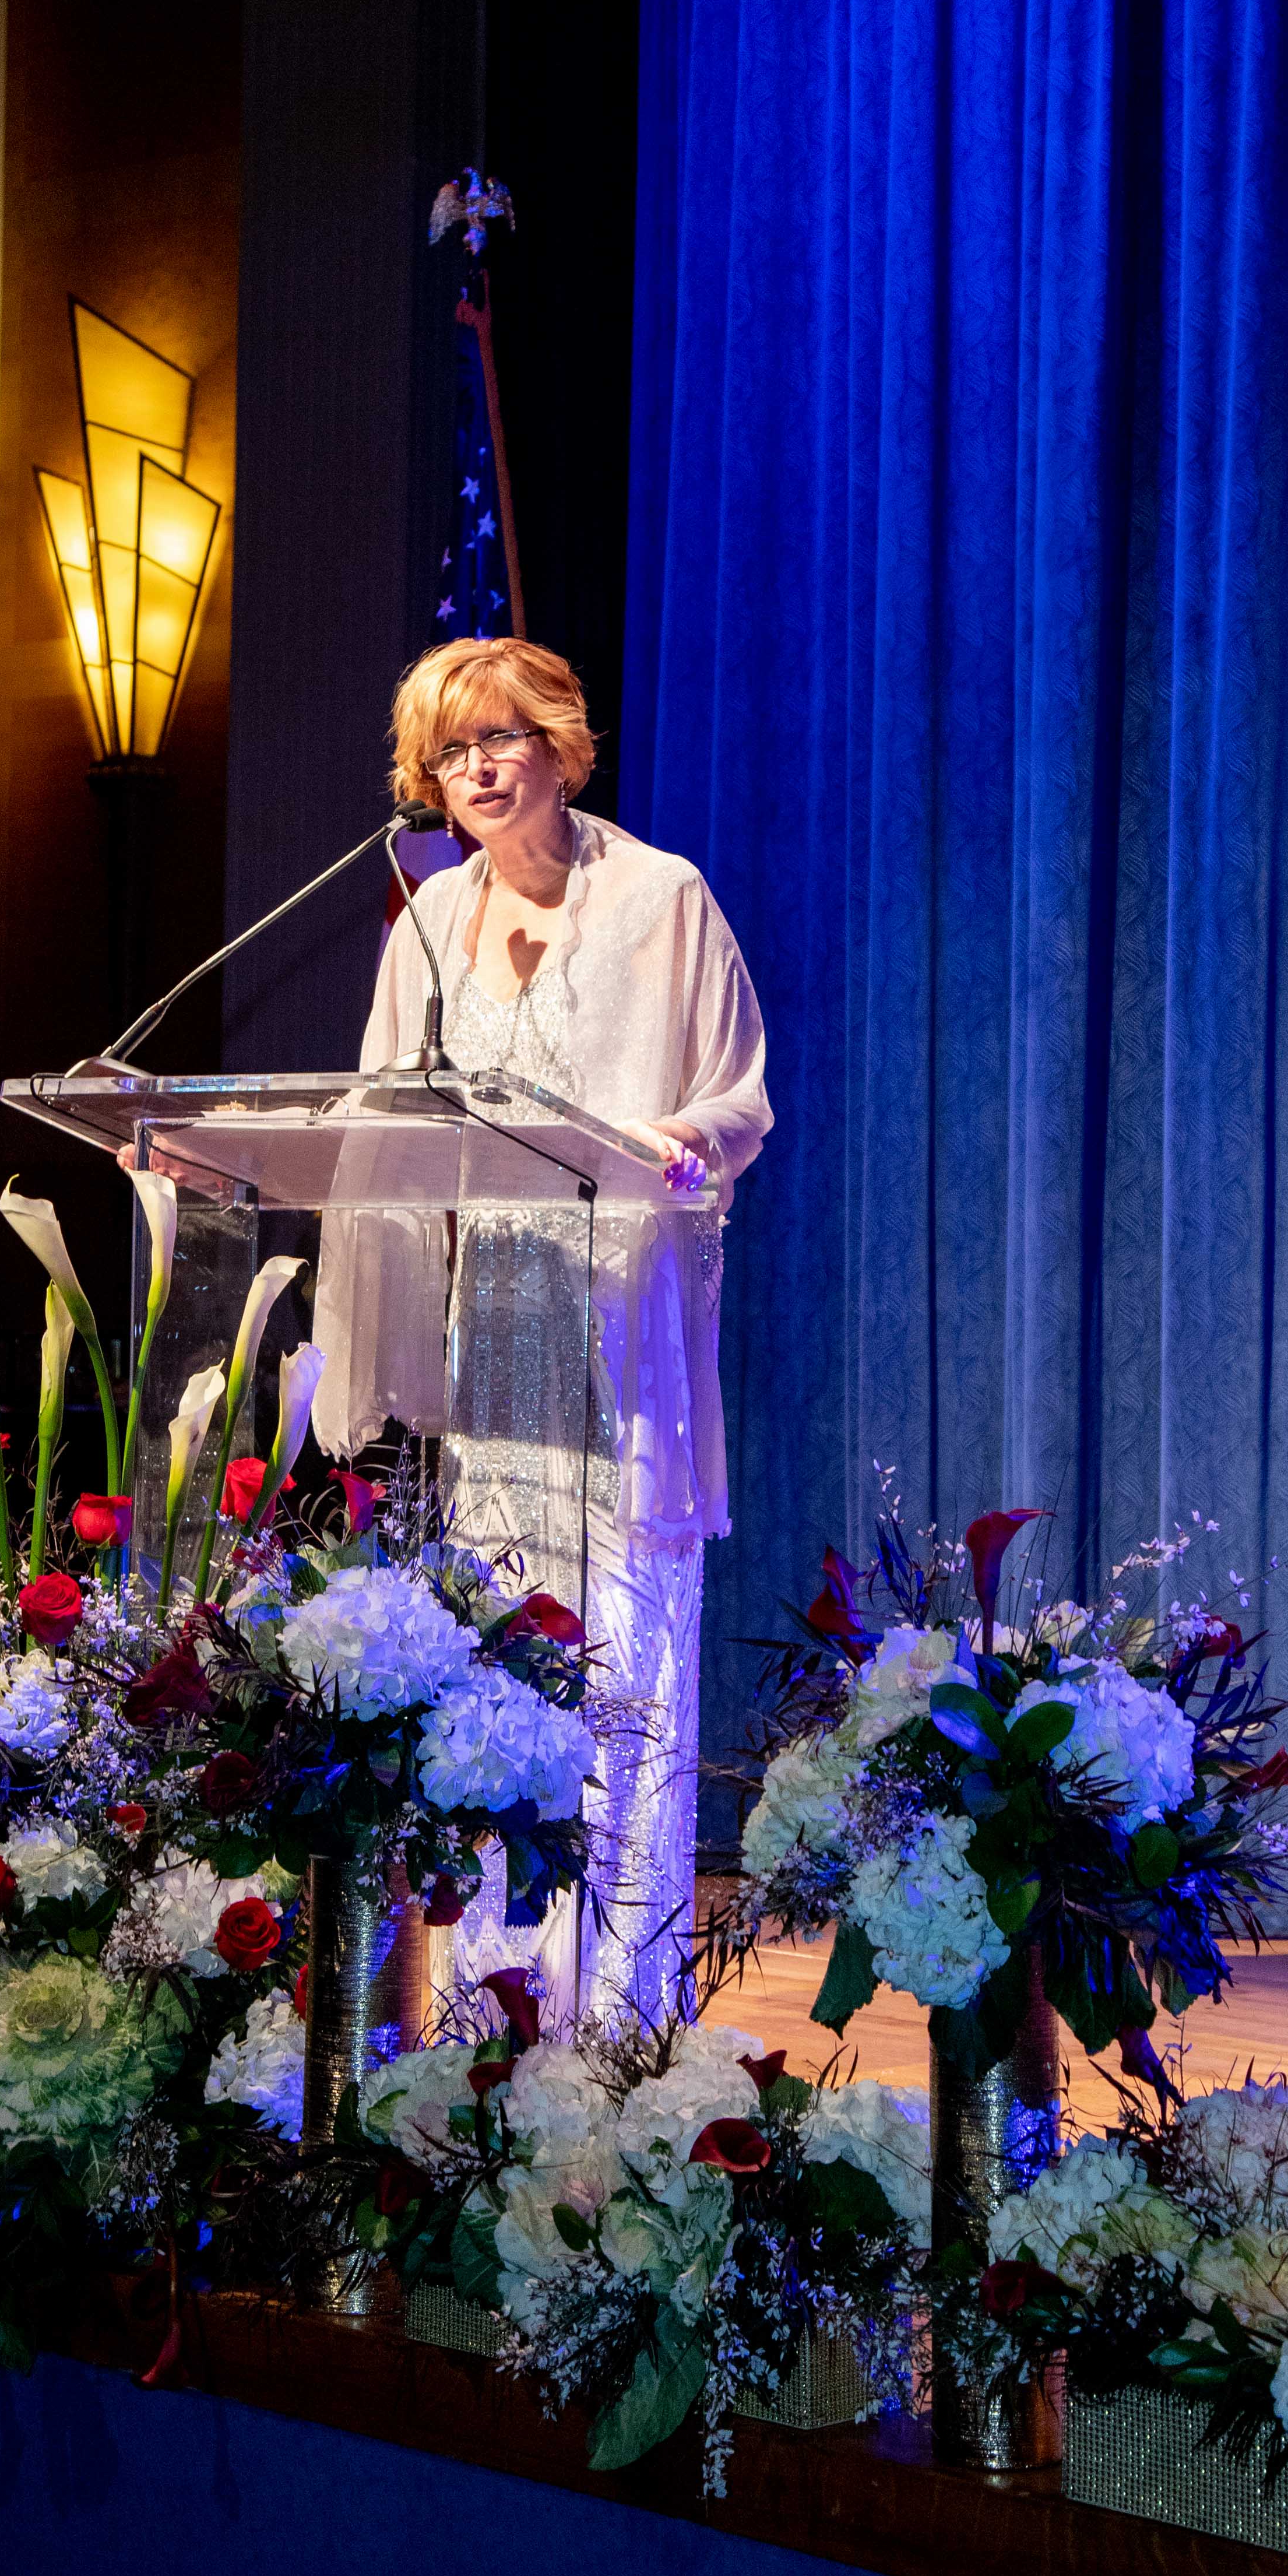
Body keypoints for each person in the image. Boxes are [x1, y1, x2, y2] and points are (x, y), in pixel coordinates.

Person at [317, 637, 771, 2022]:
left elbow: (740, 1098)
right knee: (499, 1666)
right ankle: (494, 2005)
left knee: (618, 1660)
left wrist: (675, 1144)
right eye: (450, 752)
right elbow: (382, 1127)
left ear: (561, 747)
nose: (475, 769)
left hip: (620, 1329)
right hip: (495, 1343)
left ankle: (621, 2013)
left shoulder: (661, 899)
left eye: (500, 738)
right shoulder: (428, 920)